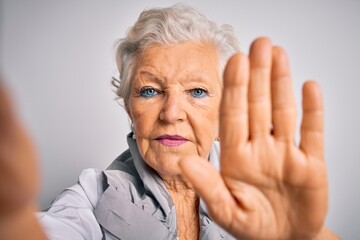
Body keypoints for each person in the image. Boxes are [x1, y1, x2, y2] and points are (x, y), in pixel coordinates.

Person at [0, 4, 339, 240]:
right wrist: (13, 217)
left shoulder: (264, 192)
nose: (172, 112)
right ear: (129, 107)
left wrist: (305, 236)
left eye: (197, 91)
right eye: (149, 91)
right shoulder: (92, 195)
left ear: (225, 112)